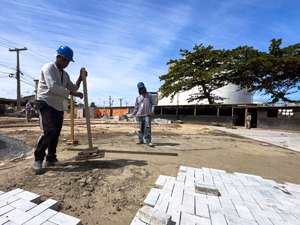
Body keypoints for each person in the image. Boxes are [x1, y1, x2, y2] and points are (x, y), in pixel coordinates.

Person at [31, 45, 84, 173]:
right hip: (46, 103)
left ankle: (51, 158)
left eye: (68, 62)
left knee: (55, 133)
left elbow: (73, 88)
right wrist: (73, 94)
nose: (66, 64)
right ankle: (38, 159)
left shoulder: (64, 74)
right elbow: (53, 87)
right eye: (65, 60)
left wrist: (80, 78)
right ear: (58, 56)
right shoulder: (48, 67)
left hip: (58, 106)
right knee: (49, 131)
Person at [131, 82, 155, 147]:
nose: (141, 90)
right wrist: (133, 114)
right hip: (140, 115)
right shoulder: (138, 98)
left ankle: (148, 141)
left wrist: (152, 110)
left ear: (144, 88)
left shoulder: (149, 95)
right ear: (138, 90)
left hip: (147, 114)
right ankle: (140, 140)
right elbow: (136, 107)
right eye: (140, 89)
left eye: (142, 88)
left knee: (147, 128)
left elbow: (153, 104)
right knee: (140, 128)